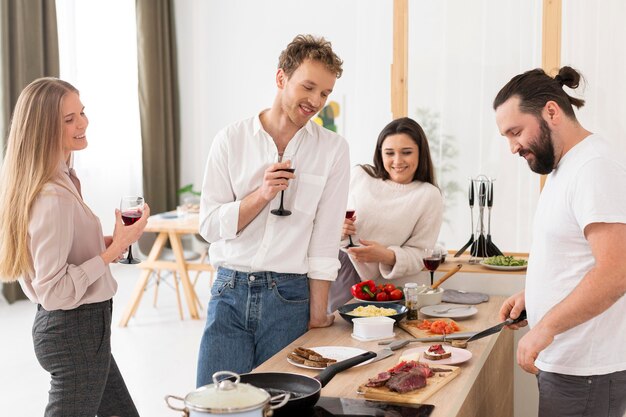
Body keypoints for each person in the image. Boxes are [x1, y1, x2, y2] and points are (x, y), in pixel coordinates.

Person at [196, 34, 349, 385]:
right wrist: (261, 195)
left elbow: (325, 239)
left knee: (282, 406)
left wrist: (317, 313)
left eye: (325, 93)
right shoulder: (230, 140)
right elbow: (208, 225)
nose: (315, 101)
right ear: (281, 78)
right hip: (229, 293)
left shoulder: (333, 150)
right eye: (308, 87)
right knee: (216, 404)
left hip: (290, 297)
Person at [0, 78, 150, 417]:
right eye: (69, 119)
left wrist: (112, 241)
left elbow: (63, 254)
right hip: (74, 331)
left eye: (81, 113)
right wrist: (113, 253)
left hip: (84, 330)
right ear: (42, 129)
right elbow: (53, 291)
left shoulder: (61, 180)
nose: (82, 123)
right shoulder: (52, 196)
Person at [493, 67, 626, 417]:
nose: (512, 147)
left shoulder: (594, 167)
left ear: (551, 112)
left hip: (586, 373)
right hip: (568, 367)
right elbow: (575, 259)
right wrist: (533, 298)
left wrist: (546, 327)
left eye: (515, 132)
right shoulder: (566, 168)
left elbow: (616, 272)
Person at [327, 117, 444, 312]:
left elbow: (420, 253)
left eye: (406, 152)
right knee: (324, 337)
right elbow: (327, 221)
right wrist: (337, 229)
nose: (397, 161)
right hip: (336, 270)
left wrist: (386, 255)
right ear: (380, 153)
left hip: (380, 288)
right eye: (389, 153)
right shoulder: (360, 175)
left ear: (420, 153)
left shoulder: (428, 195)